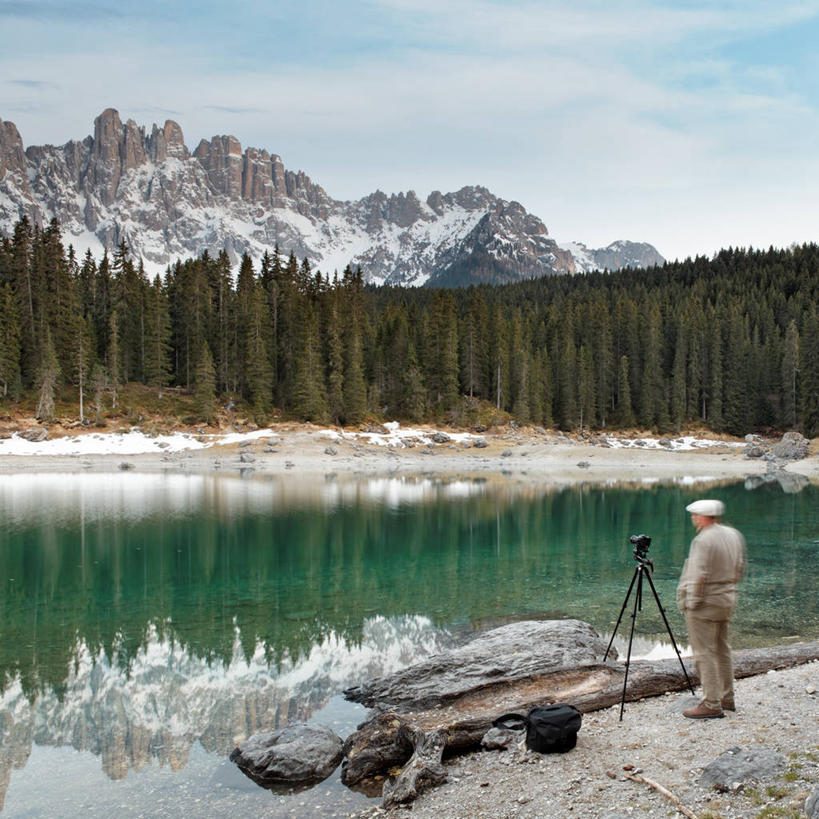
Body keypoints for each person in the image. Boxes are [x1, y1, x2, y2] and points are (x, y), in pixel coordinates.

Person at [676, 498, 746, 719]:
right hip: (726, 599)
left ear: (705, 516)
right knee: (722, 649)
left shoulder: (703, 540)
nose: (693, 518)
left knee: (703, 653)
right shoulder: (733, 534)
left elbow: (698, 575)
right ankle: (727, 697)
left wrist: (690, 603)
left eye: (696, 515)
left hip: (705, 603)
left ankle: (711, 704)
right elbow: (740, 567)